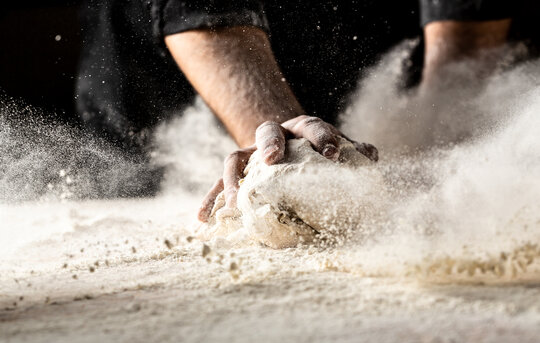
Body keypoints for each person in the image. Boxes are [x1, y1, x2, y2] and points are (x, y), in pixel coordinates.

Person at [76, 0, 539, 220]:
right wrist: (277, 138)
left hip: (367, 108)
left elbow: (464, 42)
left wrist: (432, 165)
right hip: (171, 108)